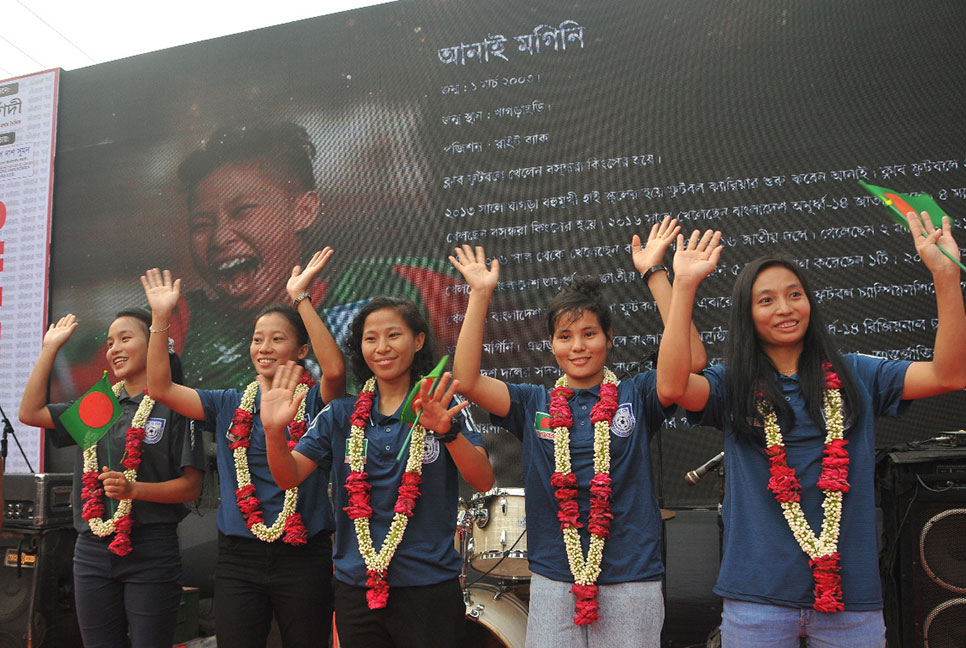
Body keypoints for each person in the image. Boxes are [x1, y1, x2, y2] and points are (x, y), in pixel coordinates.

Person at [656, 212, 966, 647]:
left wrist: (946, 276)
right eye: (766, 300)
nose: (784, 308)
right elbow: (671, 386)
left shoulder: (858, 375)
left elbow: (951, 374)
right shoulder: (732, 384)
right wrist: (684, 285)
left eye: (794, 295)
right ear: (748, 315)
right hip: (757, 601)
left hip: (850, 604)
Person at [448, 218, 720, 648]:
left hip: (631, 576)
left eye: (589, 334)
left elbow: (692, 364)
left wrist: (656, 274)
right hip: (555, 578)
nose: (578, 346)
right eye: (565, 336)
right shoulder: (532, 403)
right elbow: (464, 379)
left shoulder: (638, 394)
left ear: (609, 339)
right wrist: (479, 294)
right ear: (552, 345)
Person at [258, 295, 494, 648]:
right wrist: (274, 433)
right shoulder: (340, 414)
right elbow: (287, 476)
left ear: (417, 341)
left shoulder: (441, 402)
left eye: (393, 335)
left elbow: (483, 479)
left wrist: (447, 431)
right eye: (371, 338)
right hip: (357, 589)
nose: (382, 348)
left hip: (429, 586)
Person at [140, 251, 346, 648]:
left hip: (303, 556)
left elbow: (335, 371)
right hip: (238, 559)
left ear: (302, 350)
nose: (264, 347)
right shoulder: (227, 403)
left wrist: (300, 297)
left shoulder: (316, 402)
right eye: (257, 339)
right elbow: (161, 388)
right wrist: (161, 319)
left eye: (277, 338)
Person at [19, 309, 206, 648]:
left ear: (154, 344)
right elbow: (30, 413)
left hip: (151, 549)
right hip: (92, 549)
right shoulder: (98, 403)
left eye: (125, 338)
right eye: (109, 342)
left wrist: (134, 489)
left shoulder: (177, 403)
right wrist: (49, 349)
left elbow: (191, 487)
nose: (114, 348)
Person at [171, 122, 326, 389]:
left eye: (242, 211)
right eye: (202, 225)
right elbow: (89, 422)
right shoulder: (178, 326)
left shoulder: (387, 288)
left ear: (304, 211)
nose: (220, 238)